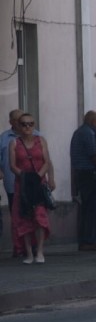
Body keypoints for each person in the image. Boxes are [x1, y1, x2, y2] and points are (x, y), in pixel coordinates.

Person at [9, 113, 53, 264]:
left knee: (40, 216)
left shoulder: (41, 141)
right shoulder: (14, 143)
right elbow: (12, 165)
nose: (28, 127)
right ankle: (28, 253)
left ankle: (39, 251)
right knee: (24, 217)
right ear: (18, 127)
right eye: (24, 124)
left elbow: (47, 161)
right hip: (22, 185)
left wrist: (38, 176)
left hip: (39, 184)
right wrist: (25, 176)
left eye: (31, 124)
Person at [70, 110, 96, 251]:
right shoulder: (89, 133)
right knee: (93, 208)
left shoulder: (78, 132)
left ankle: (85, 239)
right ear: (93, 121)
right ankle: (90, 240)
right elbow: (93, 155)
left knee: (86, 207)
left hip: (81, 173)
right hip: (89, 174)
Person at [1, 109, 25, 256]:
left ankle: (32, 246)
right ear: (11, 122)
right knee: (16, 215)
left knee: (31, 214)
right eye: (17, 120)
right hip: (11, 183)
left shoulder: (36, 136)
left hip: (31, 183)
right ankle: (18, 246)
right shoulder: (4, 138)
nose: (21, 123)